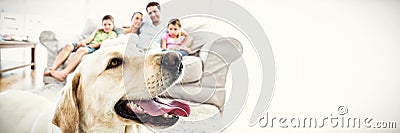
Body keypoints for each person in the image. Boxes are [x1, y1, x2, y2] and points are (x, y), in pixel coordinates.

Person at [44, 15, 117, 81]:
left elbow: (102, 43)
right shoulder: (98, 31)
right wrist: (82, 42)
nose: (107, 26)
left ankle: (64, 74)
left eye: (109, 24)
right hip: (88, 44)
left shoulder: (113, 34)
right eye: (105, 24)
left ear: (113, 26)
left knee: (81, 50)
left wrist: (88, 46)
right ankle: (52, 69)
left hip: (94, 47)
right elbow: (89, 39)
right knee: (68, 46)